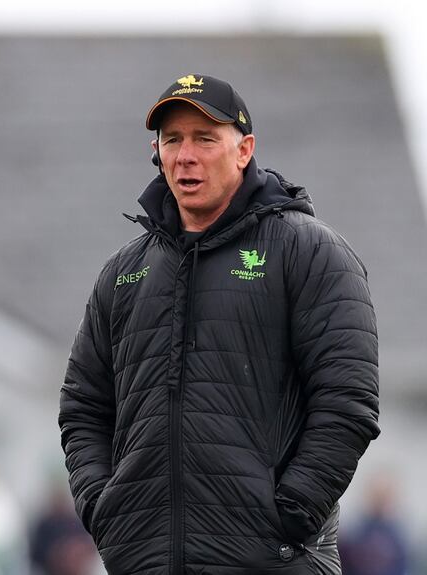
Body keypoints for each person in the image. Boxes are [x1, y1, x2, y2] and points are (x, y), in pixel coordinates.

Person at [59, 74, 380, 573]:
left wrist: (291, 515)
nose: (186, 155)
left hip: (273, 560)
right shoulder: (123, 273)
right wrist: (106, 511)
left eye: (205, 138)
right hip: (145, 561)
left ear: (244, 149)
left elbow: (347, 401)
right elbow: (82, 407)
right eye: (173, 140)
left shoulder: (308, 251)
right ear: (157, 151)